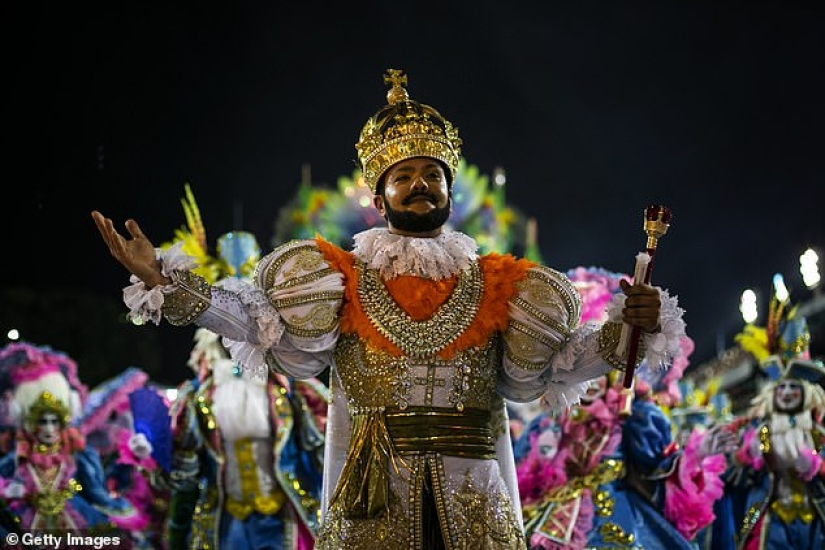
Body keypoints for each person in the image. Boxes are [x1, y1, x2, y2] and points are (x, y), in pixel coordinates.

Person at [91, 68, 685, 549]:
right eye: (405, 176)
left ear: (450, 191)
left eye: (433, 174)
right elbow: (252, 321)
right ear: (380, 199)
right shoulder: (337, 279)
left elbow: (557, 364)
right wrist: (166, 281)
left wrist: (622, 333)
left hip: (475, 500)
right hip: (371, 502)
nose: (421, 184)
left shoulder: (503, 284)